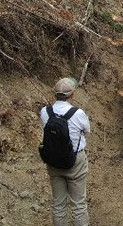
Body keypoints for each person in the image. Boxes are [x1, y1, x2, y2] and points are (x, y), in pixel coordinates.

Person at [40, 78, 91, 226]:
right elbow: (87, 130)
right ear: (72, 95)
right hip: (75, 161)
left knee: (58, 203)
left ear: (55, 94)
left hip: (53, 160)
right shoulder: (78, 113)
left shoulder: (45, 111)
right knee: (78, 204)